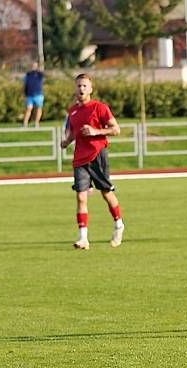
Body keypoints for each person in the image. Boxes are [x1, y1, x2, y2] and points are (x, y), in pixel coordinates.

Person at [60, 73, 124, 250]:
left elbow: (116, 129)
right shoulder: (72, 111)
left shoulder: (100, 107)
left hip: (97, 155)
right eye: (78, 86)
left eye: (84, 86)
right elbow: (72, 132)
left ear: (90, 89)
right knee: (81, 197)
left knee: (106, 193)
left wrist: (96, 132)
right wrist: (66, 142)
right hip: (79, 159)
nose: (81, 89)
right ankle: (83, 238)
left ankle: (119, 224)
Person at [23, 62, 45, 128]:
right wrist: (24, 92)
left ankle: (36, 123)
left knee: (38, 108)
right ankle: (25, 124)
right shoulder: (28, 75)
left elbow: (45, 74)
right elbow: (25, 84)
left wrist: (39, 69)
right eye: (32, 65)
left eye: (35, 66)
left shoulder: (39, 74)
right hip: (29, 95)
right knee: (28, 108)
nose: (33, 67)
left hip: (38, 94)